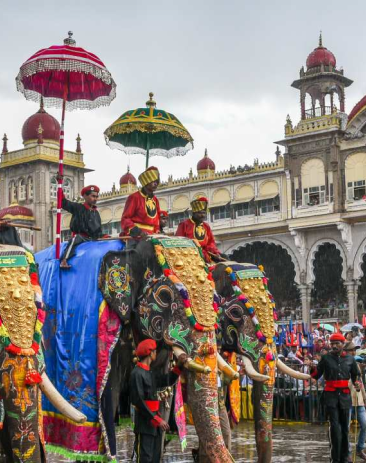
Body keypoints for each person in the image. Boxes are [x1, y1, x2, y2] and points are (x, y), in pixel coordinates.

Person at [311, 333, 361, 463]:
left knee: (345, 428)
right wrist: (312, 367)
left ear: (343, 344)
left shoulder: (350, 359)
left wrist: (357, 383)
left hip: (345, 397)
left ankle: (345, 457)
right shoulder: (326, 358)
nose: (333, 346)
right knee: (335, 428)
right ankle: (335, 458)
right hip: (330, 396)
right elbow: (316, 375)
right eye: (332, 343)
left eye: (336, 343)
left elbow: (356, 376)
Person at [129, 339, 182, 463]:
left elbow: (167, 380)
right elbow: (138, 402)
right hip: (145, 424)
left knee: (156, 457)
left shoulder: (150, 373)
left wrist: (179, 367)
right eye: (155, 351)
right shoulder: (136, 373)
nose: (156, 353)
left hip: (156, 424)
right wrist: (157, 419)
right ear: (150, 353)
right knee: (145, 458)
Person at [60, 184, 103, 269]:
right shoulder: (78, 207)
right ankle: (64, 260)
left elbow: (98, 229)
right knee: (75, 239)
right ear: (85, 196)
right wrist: (60, 187)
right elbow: (63, 202)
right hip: (81, 237)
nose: (95, 199)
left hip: (92, 238)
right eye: (93, 196)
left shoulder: (96, 213)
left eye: (96, 196)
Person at [175, 197, 223, 263]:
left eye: (204, 213)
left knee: (224, 258)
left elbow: (211, 242)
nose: (202, 215)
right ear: (194, 213)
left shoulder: (206, 226)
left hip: (207, 254)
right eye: (200, 213)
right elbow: (178, 243)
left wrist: (215, 253)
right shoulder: (184, 224)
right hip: (189, 255)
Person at [121, 167, 161, 238]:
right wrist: (139, 232)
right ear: (147, 181)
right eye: (153, 181)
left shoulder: (155, 200)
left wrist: (157, 231)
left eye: (157, 182)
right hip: (137, 237)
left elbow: (157, 221)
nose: (155, 184)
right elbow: (125, 219)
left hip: (153, 236)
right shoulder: (134, 197)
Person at [344, 342, 366, 460]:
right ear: (346, 352)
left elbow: (360, 383)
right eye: (351, 350)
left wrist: (364, 396)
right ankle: (347, 451)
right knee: (346, 427)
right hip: (347, 401)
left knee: (365, 424)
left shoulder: (357, 366)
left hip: (359, 401)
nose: (353, 352)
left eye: (354, 350)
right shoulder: (342, 365)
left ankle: (359, 448)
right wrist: (353, 382)